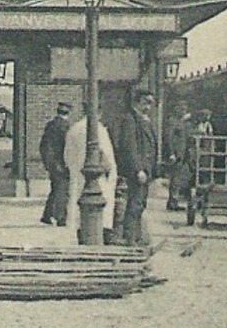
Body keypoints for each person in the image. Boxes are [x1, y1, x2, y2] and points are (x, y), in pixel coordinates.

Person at [111, 88, 159, 247]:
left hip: (146, 171)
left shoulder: (144, 120)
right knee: (134, 204)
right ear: (136, 102)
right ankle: (130, 239)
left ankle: (136, 238)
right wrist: (137, 169)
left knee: (140, 204)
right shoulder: (130, 120)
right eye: (145, 103)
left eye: (151, 103)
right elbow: (129, 147)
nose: (148, 107)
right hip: (138, 172)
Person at [63, 110, 117, 241]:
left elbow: (67, 156)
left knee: (78, 212)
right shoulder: (99, 130)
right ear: (98, 113)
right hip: (99, 179)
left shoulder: (74, 129)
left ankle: (82, 236)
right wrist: (110, 171)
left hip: (77, 176)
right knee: (102, 212)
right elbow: (106, 156)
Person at [39, 101, 73, 226]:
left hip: (52, 164)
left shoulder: (51, 125)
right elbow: (67, 147)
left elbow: (44, 146)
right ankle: (60, 217)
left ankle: (47, 215)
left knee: (55, 189)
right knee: (62, 191)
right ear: (68, 112)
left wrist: (48, 163)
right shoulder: (64, 126)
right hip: (61, 164)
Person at [166, 108, 195, 211]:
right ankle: (172, 202)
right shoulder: (173, 122)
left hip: (183, 155)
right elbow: (169, 138)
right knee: (175, 178)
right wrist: (171, 153)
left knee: (180, 177)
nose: (183, 111)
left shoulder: (184, 123)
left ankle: (174, 201)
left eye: (185, 109)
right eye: (181, 109)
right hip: (177, 154)